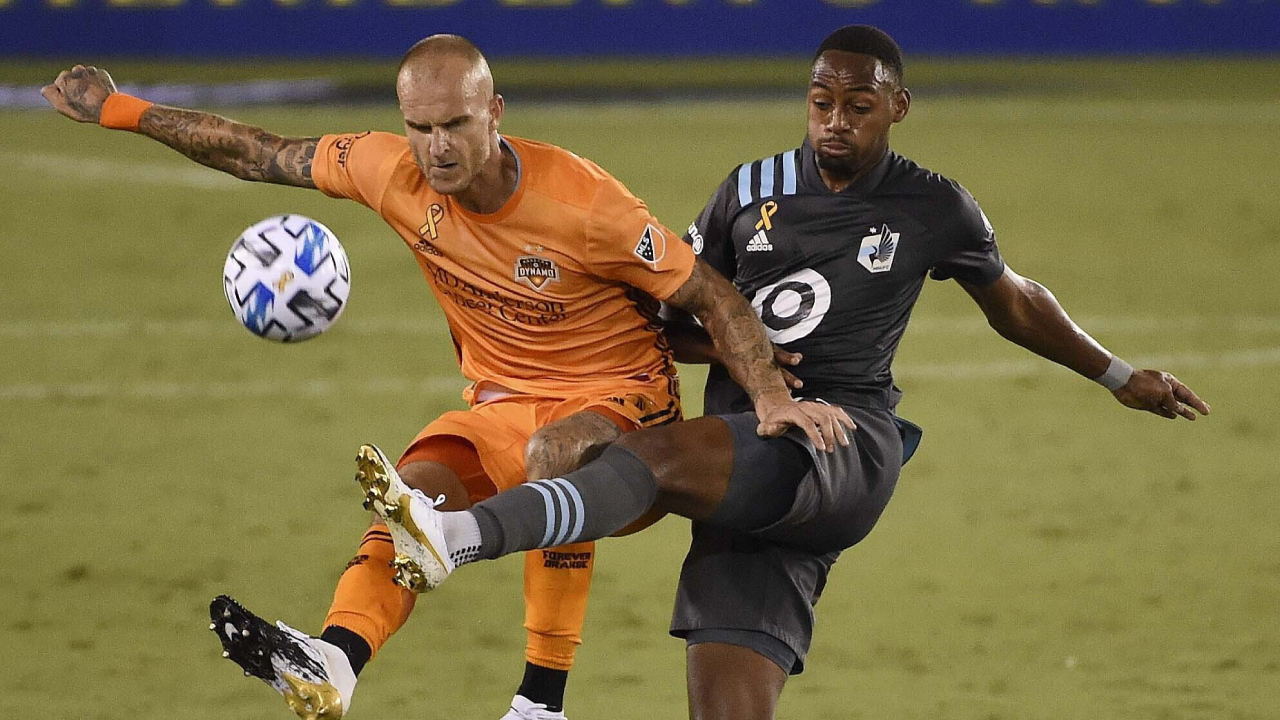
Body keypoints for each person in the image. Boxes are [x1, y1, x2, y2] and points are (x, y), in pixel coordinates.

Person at [341, 25, 1211, 720]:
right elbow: (676, 317)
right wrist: (725, 352)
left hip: (839, 444)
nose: (835, 120)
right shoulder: (746, 191)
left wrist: (1116, 374)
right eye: (821, 101)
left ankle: (458, 540)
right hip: (746, 470)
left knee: (644, 459)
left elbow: (1015, 302)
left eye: (859, 106)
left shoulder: (932, 205)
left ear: (897, 108)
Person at [41, 36, 850, 720]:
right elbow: (260, 152)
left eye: (457, 124)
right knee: (411, 494)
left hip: (618, 404)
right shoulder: (390, 172)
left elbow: (709, 294)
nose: (439, 148)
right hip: (498, 403)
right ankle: (336, 660)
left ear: (494, 113)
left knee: (554, 457)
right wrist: (118, 109)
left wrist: (773, 399)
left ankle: (540, 701)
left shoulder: (587, 204)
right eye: (421, 127)